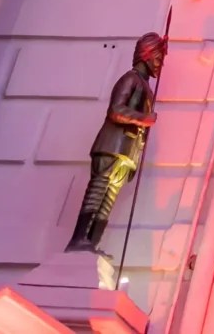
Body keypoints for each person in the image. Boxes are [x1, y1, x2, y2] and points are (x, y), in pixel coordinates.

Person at [69, 29, 168, 253]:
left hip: (127, 152)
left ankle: (91, 243)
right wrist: (144, 118)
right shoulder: (130, 79)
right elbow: (116, 110)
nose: (160, 65)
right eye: (158, 59)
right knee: (97, 192)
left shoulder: (145, 87)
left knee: (108, 199)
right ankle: (78, 239)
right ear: (147, 54)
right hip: (112, 147)